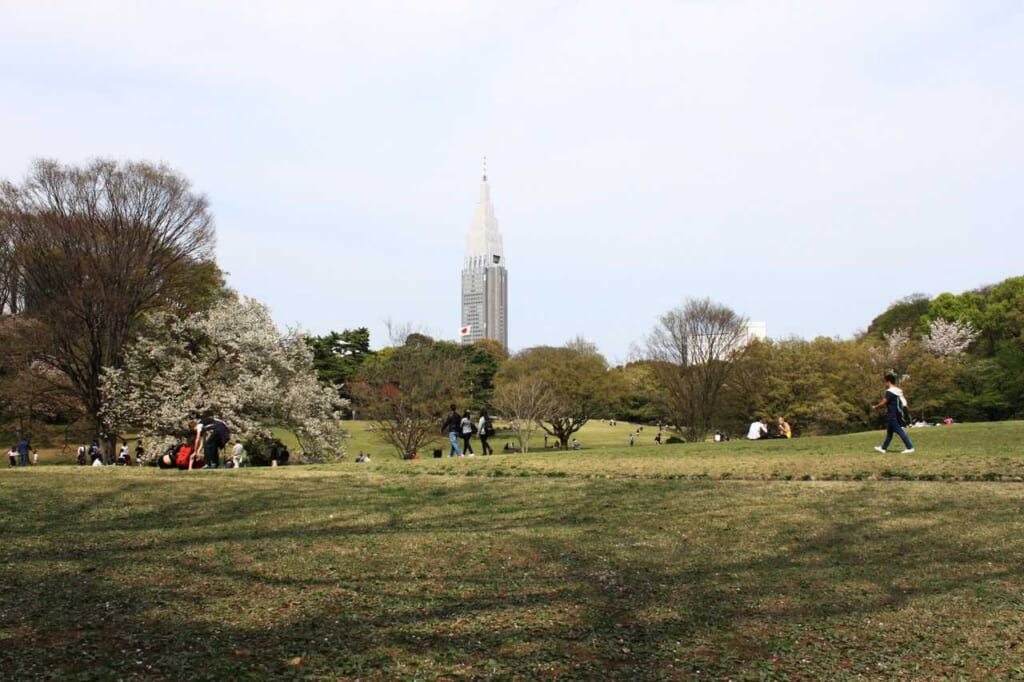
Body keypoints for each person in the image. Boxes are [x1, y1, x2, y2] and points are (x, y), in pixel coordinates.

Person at [872, 372, 915, 454]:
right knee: (889, 432)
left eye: (885, 382)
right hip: (896, 413)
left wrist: (876, 407)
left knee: (899, 430)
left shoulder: (890, 392)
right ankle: (883, 448)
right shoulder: (898, 391)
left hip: (892, 414)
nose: (885, 383)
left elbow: (884, 401)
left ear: (888, 382)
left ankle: (910, 447)